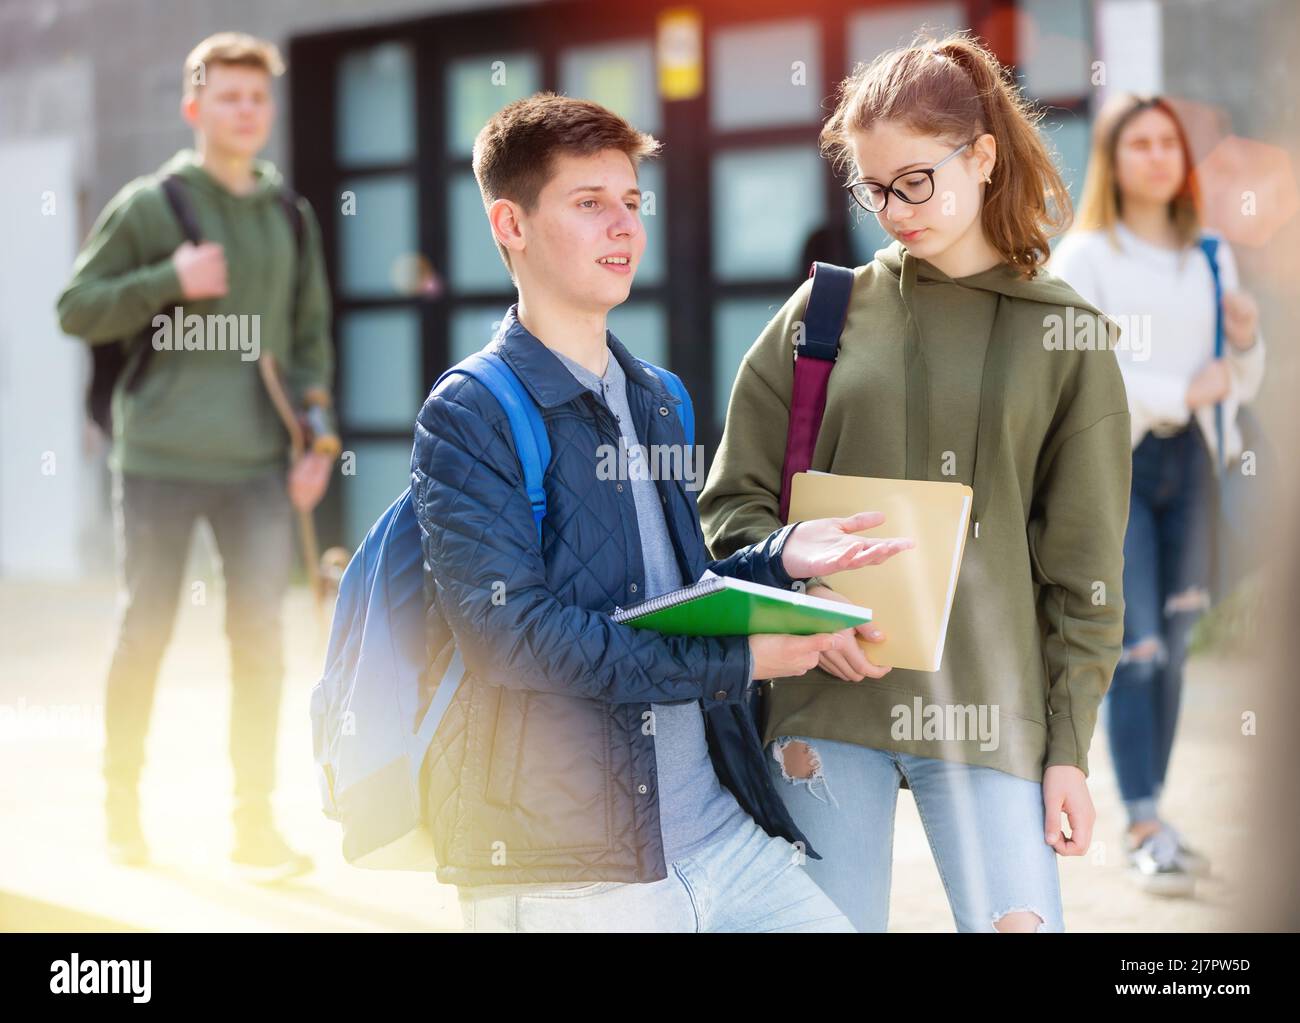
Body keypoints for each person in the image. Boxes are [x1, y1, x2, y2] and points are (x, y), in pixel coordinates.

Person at [411, 93, 913, 933]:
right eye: (589, 204)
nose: (624, 227)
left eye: (632, 203)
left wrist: (783, 558)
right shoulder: (469, 414)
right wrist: (743, 659)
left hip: (721, 835)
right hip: (573, 867)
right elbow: (516, 638)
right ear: (511, 224)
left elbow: (678, 591)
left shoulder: (659, 398)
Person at [698, 31, 1132, 932]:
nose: (893, 210)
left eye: (914, 181)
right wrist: (801, 602)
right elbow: (731, 505)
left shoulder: (1070, 338)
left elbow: (1084, 574)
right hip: (823, 699)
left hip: (995, 708)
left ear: (980, 157)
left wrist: (1069, 752)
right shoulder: (824, 313)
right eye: (873, 187)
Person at [56, 32, 340, 880]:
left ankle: (252, 827)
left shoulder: (291, 215)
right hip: (157, 459)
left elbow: (311, 341)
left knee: (259, 644)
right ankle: (122, 813)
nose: (245, 111)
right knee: (145, 631)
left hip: (257, 465)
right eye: (227, 97)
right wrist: (167, 280)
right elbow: (76, 307)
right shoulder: (153, 205)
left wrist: (318, 440)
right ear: (194, 107)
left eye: (257, 98)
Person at [1049, 94, 1266, 895]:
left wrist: (1244, 341)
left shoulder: (1209, 252)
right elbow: (1081, 371)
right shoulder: (1086, 258)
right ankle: (1140, 824)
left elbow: (1239, 381)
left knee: (1174, 645)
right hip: (1120, 473)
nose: (1155, 155)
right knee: (1134, 650)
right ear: (1114, 159)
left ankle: (1157, 813)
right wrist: (1183, 385)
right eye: (1137, 142)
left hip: (1196, 470)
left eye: (1167, 142)